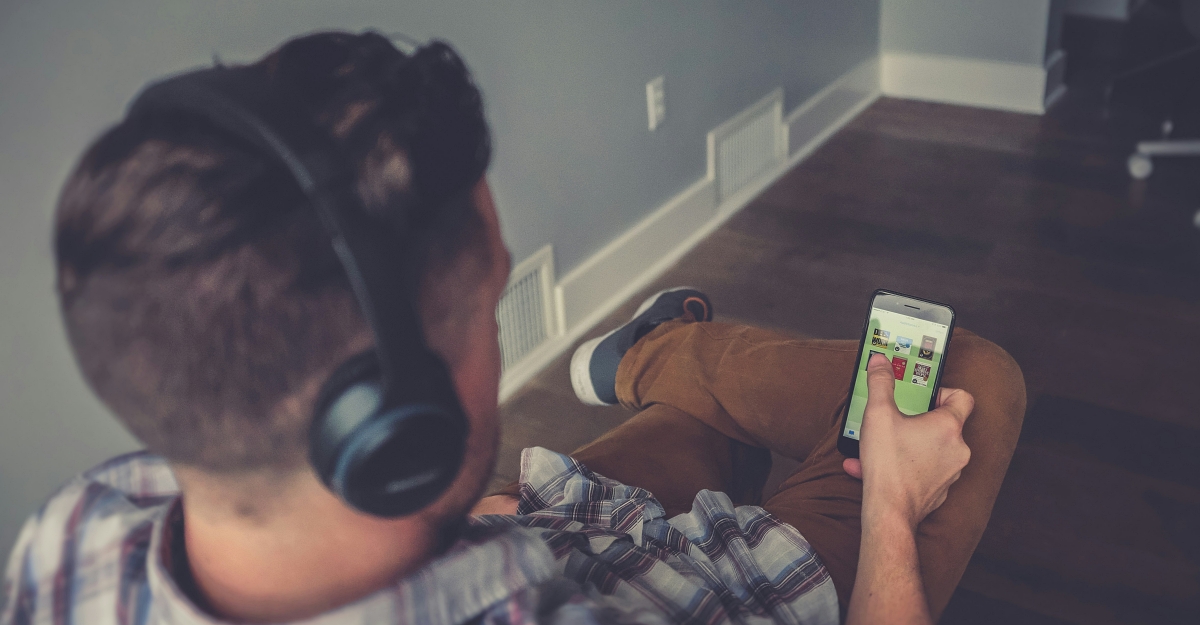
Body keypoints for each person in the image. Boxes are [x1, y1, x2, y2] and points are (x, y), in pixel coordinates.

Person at [0, 31, 1025, 625]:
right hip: (734, 578)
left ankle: (667, 359)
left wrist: (456, 517)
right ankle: (667, 350)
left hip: (531, 516)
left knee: (691, 434)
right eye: (491, 306)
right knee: (976, 373)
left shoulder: (68, 540)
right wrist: (891, 502)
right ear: (396, 430)